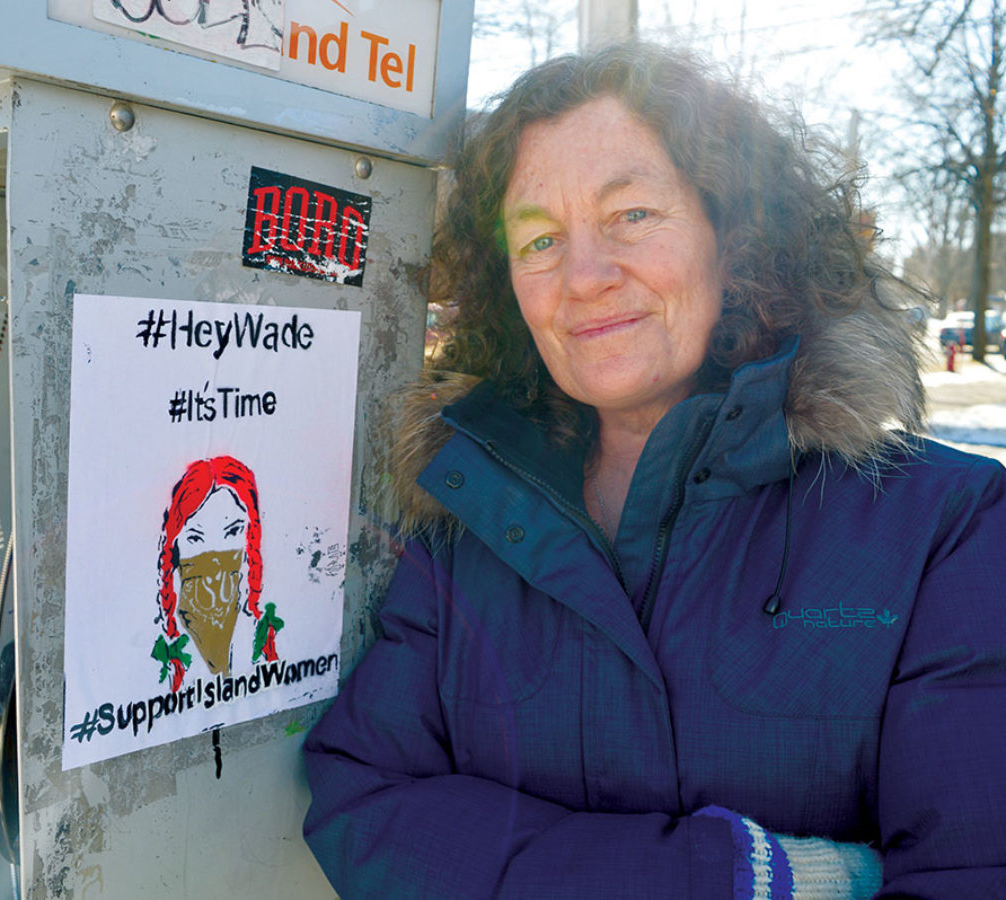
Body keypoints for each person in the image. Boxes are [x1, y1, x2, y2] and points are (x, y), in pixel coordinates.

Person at [300, 42, 1006, 899]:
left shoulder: (944, 527)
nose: (584, 277)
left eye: (631, 214)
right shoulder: (466, 515)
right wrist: (736, 879)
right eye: (540, 240)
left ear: (735, 238)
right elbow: (363, 801)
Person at [153, 455, 277, 688]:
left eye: (232, 533)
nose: (215, 554)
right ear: (175, 544)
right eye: (195, 537)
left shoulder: (260, 631)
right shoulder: (164, 641)